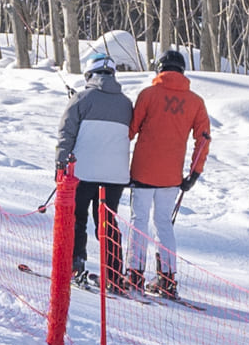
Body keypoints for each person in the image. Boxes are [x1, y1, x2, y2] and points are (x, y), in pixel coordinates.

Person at [126, 49, 213, 299]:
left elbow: (131, 130)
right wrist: (194, 174)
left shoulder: (148, 95)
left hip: (142, 170)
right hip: (171, 176)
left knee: (139, 221)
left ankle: (135, 274)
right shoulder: (196, 102)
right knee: (164, 224)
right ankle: (167, 278)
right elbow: (203, 139)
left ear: (160, 69)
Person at [54, 49, 134, 290]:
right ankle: (113, 273)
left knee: (77, 219)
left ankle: (75, 264)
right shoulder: (126, 103)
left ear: (90, 73)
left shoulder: (80, 99)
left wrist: (60, 165)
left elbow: (66, 134)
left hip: (83, 173)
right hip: (115, 176)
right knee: (107, 222)